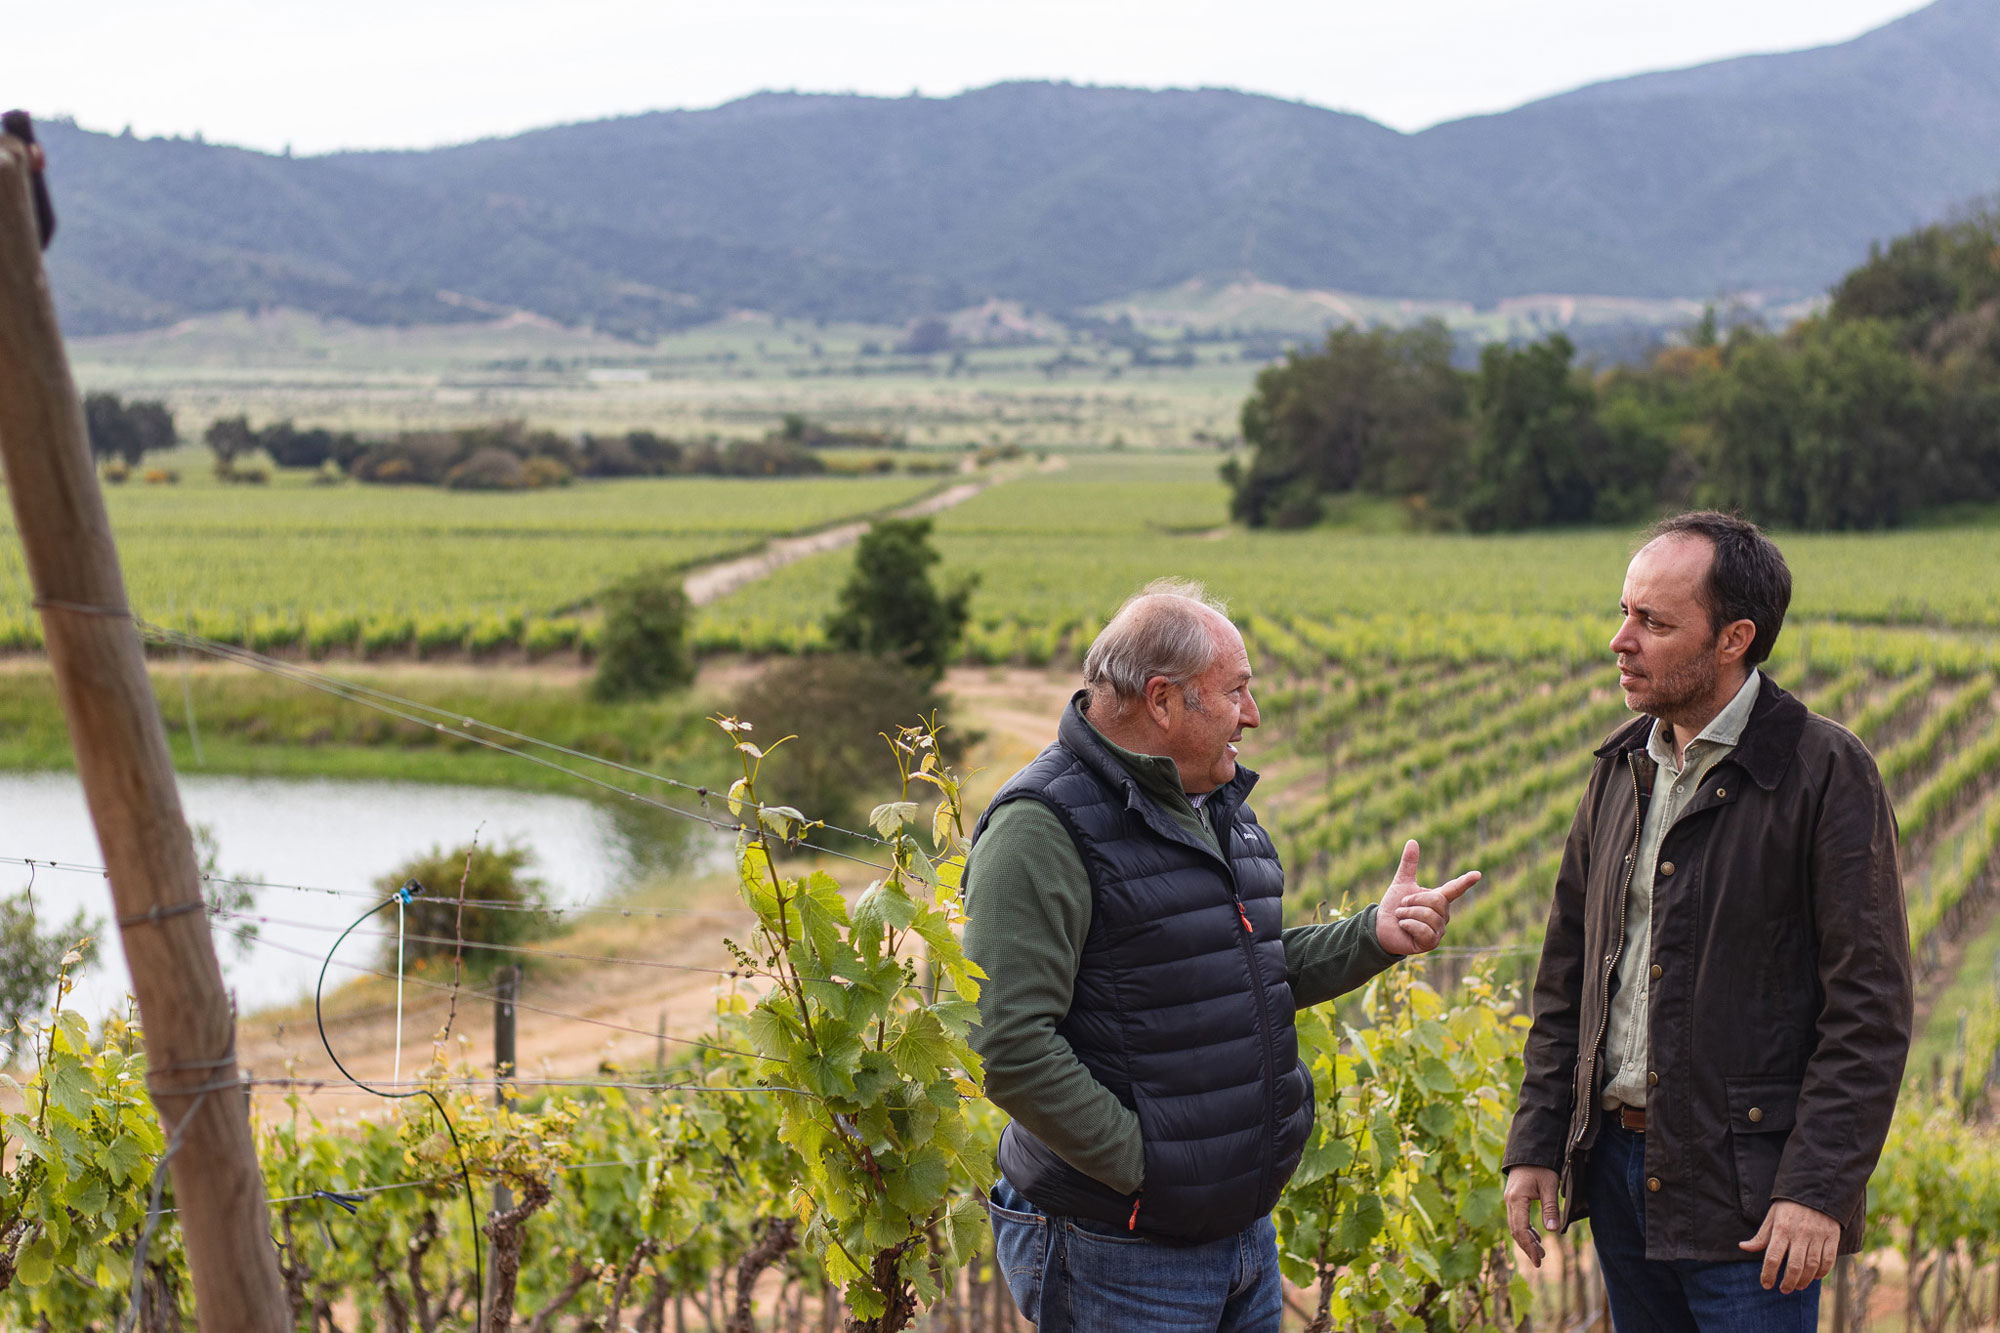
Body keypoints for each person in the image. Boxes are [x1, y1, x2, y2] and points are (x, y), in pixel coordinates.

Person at [963, 579, 1479, 1331]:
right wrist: (1152, 1167)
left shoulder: (1210, 803)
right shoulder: (1041, 829)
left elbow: (1242, 968)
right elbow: (1010, 1046)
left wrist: (1372, 934)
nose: (1253, 713)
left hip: (1239, 1230)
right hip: (1120, 1245)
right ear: (1163, 700)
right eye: (1236, 690)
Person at [1503, 512, 1912, 1330]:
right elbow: (1568, 974)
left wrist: (1816, 1190)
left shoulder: (1825, 773)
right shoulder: (1621, 765)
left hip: (1754, 1202)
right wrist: (1538, 1138)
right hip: (1619, 1172)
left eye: (1653, 622)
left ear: (1734, 638)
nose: (1621, 640)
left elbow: (1868, 1012)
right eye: (1624, 612)